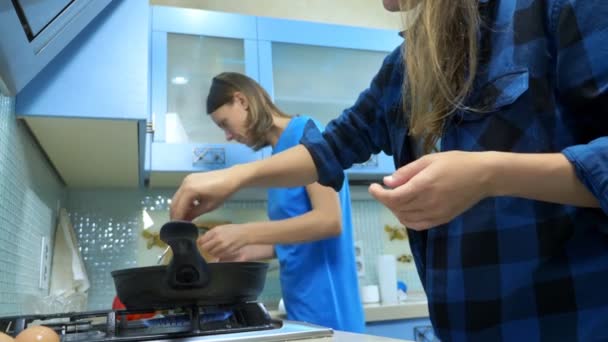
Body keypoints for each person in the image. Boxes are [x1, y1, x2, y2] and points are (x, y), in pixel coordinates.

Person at [171, 0, 608, 340]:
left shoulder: (555, 9)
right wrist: (232, 178)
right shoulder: (405, 65)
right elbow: (332, 147)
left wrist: (488, 174)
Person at [191, 72, 365, 333]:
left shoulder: (306, 132)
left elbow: (329, 221)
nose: (227, 136)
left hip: (330, 309)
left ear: (242, 101)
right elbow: (295, 241)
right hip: (301, 308)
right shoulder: (277, 157)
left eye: (225, 123)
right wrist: (245, 251)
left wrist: (244, 232)